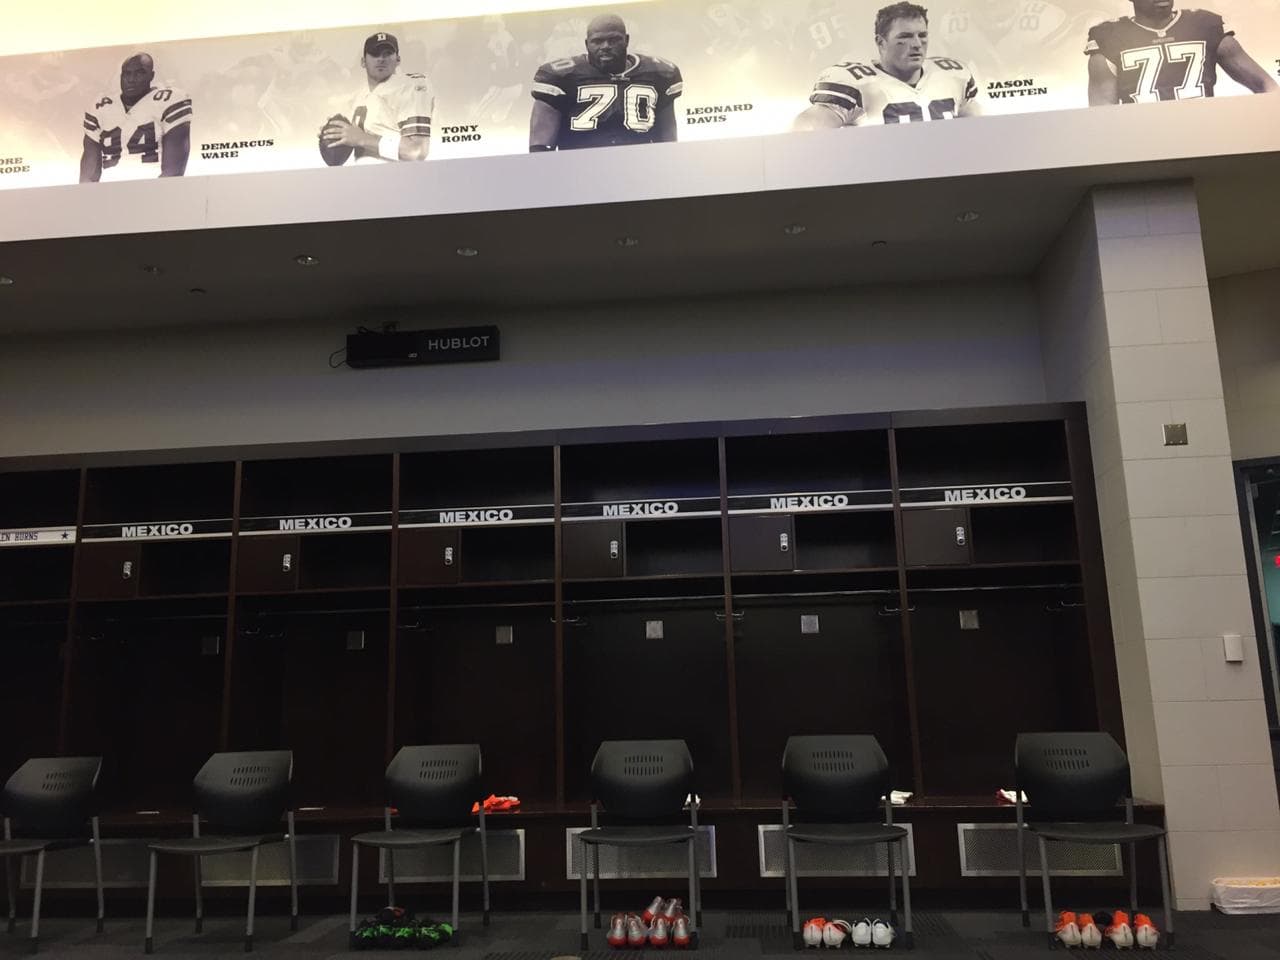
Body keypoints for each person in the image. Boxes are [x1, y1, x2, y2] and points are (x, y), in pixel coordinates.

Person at [795, 2, 982, 128]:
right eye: (905, 37)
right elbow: (806, 133)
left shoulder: (953, 76)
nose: (917, 44)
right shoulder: (854, 84)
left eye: (922, 35)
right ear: (881, 43)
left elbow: (979, 133)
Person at [529, 13, 684, 150]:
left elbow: (668, 142)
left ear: (626, 40)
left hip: (639, 162)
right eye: (597, 41)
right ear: (587, 44)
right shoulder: (560, 76)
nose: (605, 46)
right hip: (579, 165)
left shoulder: (659, 73)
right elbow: (540, 146)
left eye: (613, 40)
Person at [1086, 0, 1278, 104]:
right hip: (1143, 143)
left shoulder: (1205, 24)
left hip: (1205, 138)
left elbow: (1267, 86)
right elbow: (1102, 113)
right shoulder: (1109, 36)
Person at [319, 32, 434, 164]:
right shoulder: (361, 94)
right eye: (375, 54)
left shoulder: (411, 85)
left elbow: (417, 151)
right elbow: (358, 138)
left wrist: (362, 138)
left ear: (398, 60)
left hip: (398, 175)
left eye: (387, 53)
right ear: (363, 62)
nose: (381, 59)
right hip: (367, 174)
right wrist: (335, 134)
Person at [80, 53, 190, 182]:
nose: (131, 79)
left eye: (139, 73)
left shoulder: (169, 100)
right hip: (109, 190)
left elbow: (173, 172)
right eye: (126, 74)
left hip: (154, 187)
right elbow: (88, 176)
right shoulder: (101, 107)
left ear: (151, 76)